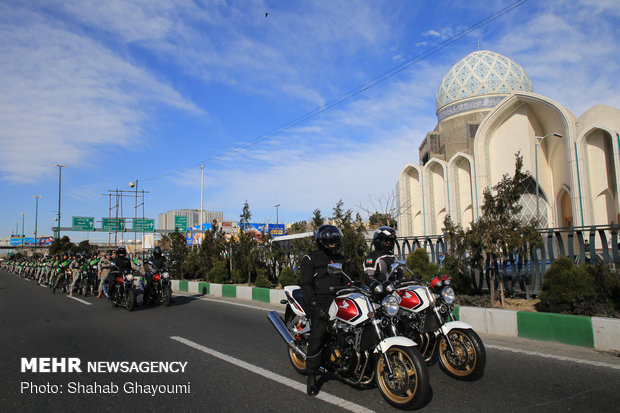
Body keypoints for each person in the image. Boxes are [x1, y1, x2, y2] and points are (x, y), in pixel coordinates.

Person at [300, 224, 347, 396]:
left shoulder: (340, 259)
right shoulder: (310, 259)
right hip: (320, 301)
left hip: (339, 300)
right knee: (318, 335)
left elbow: (346, 280)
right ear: (321, 241)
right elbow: (305, 285)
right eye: (329, 241)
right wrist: (314, 305)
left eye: (335, 240)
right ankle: (311, 376)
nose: (332, 243)